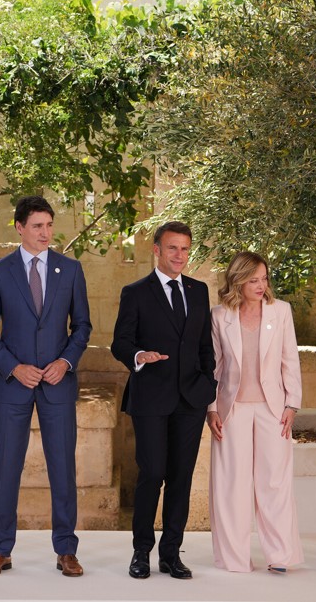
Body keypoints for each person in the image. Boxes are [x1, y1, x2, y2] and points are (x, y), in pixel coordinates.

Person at [0, 196, 92, 578]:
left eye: (49, 225)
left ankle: (67, 550)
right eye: (37, 226)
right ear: (20, 228)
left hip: (59, 384)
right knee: (7, 467)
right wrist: (13, 367)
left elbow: (83, 327)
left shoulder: (70, 270)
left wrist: (65, 362)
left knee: (62, 469)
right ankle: (0, 550)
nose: (45, 233)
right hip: (13, 386)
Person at [111, 221, 216, 580]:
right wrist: (140, 355)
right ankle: (141, 552)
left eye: (185, 249)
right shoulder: (136, 292)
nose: (180, 256)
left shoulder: (199, 291)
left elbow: (206, 347)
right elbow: (120, 342)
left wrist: (208, 387)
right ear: (156, 250)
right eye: (173, 248)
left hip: (191, 399)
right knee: (152, 472)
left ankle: (171, 554)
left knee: (181, 477)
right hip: (150, 397)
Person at [207, 252, 304, 573]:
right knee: (231, 484)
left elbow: (290, 359)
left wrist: (292, 404)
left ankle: (280, 556)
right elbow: (215, 367)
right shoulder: (220, 315)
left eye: (264, 278)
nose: (261, 285)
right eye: (253, 280)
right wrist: (211, 409)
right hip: (230, 409)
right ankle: (234, 559)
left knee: (274, 482)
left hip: (272, 408)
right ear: (238, 281)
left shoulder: (281, 311)